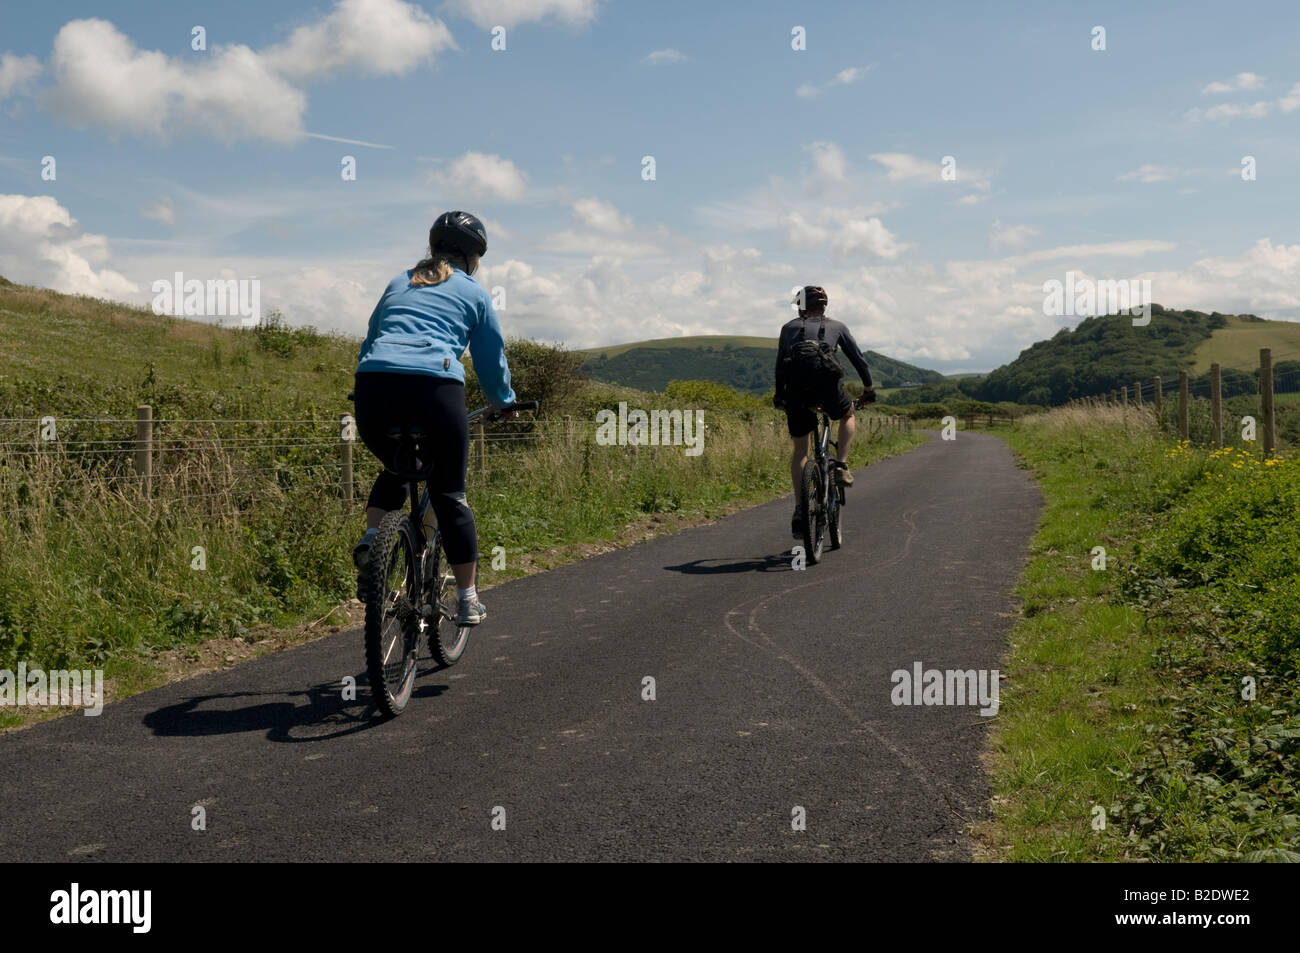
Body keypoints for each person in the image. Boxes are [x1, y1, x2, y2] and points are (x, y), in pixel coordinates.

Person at [351, 211, 516, 626]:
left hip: (374, 388)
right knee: (449, 495)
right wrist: (504, 400)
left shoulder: (399, 280)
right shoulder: (474, 292)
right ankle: (467, 600)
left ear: (434, 246)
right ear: (473, 257)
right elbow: (490, 358)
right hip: (434, 388)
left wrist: (370, 387)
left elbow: (371, 338)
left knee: (397, 465)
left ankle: (374, 543)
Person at [773, 285, 875, 538]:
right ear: (825, 305)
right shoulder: (837, 326)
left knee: (801, 451)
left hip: (796, 393)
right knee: (848, 413)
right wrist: (868, 389)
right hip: (828, 391)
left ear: (801, 306)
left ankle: (799, 508)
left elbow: (779, 365)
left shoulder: (788, 328)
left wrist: (779, 395)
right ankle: (840, 464)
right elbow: (858, 359)